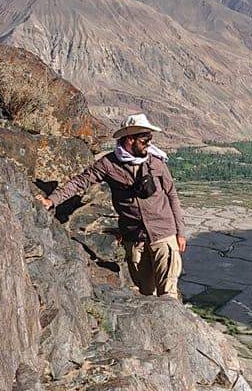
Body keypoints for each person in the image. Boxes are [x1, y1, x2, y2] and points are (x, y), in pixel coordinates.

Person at [36, 113, 186, 298]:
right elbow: (80, 182)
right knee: (146, 292)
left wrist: (180, 232)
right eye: (145, 139)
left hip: (163, 234)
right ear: (130, 139)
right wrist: (52, 200)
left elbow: (172, 195)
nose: (149, 143)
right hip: (135, 238)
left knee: (168, 295)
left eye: (149, 139)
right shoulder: (108, 164)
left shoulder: (156, 162)